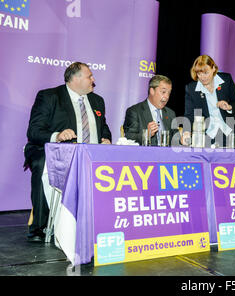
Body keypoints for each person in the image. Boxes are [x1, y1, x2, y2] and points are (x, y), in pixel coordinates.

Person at [24, 62, 112, 242]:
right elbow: (34, 131)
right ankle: (40, 226)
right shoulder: (50, 96)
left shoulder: (97, 101)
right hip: (57, 152)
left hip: (91, 154)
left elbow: (104, 128)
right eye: (90, 76)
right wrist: (57, 135)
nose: (93, 80)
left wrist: (106, 138)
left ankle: (102, 221)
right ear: (76, 78)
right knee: (42, 164)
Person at [184, 55, 235, 146]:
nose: (202, 77)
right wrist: (186, 132)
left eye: (206, 73)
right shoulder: (191, 89)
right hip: (206, 135)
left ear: (214, 68)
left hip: (228, 131)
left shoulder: (226, 80)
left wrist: (229, 107)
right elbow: (189, 114)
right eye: (199, 73)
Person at [123, 75, 177, 146]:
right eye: (163, 92)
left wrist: (182, 139)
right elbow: (129, 137)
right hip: (144, 155)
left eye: (169, 93)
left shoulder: (170, 113)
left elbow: (175, 137)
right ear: (152, 91)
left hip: (167, 155)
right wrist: (147, 134)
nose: (167, 97)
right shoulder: (134, 111)